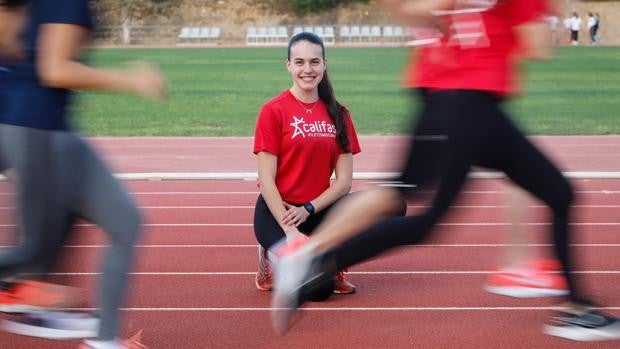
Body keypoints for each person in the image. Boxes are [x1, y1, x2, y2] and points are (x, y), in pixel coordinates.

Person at [269, 0, 620, 342]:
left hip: (454, 105)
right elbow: (539, 46)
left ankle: (310, 259)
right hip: (467, 104)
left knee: (552, 193)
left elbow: (409, 10)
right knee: (422, 215)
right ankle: (312, 261)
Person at [0, 0, 166, 348]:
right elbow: (54, 69)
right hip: (36, 129)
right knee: (33, 253)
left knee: (125, 220)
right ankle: (18, 292)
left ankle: (104, 341)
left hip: (45, 129)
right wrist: (132, 80)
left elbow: (13, 44)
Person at [253, 31, 374, 295]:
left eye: (314, 62)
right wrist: (289, 230)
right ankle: (271, 256)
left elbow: (343, 184)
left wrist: (308, 208)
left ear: (324, 64)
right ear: (288, 66)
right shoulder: (273, 110)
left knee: (374, 209)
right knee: (318, 292)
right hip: (278, 214)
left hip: (318, 211)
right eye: (299, 62)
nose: (307, 69)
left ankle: (333, 262)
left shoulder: (339, 114)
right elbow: (266, 180)